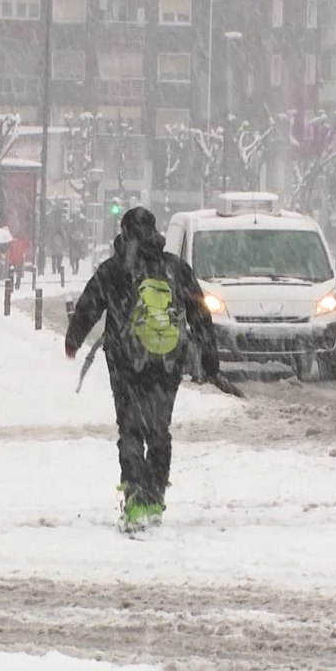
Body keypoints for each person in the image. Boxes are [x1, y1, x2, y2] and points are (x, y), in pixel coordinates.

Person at [64, 207, 221, 528]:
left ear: (124, 233)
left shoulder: (113, 269)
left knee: (131, 430)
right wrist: (209, 359)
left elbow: (88, 306)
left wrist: (73, 339)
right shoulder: (175, 269)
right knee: (159, 431)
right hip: (167, 362)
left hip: (126, 363)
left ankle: (136, 500)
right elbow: (200, 314)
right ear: (154, 233)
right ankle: (155, 498)